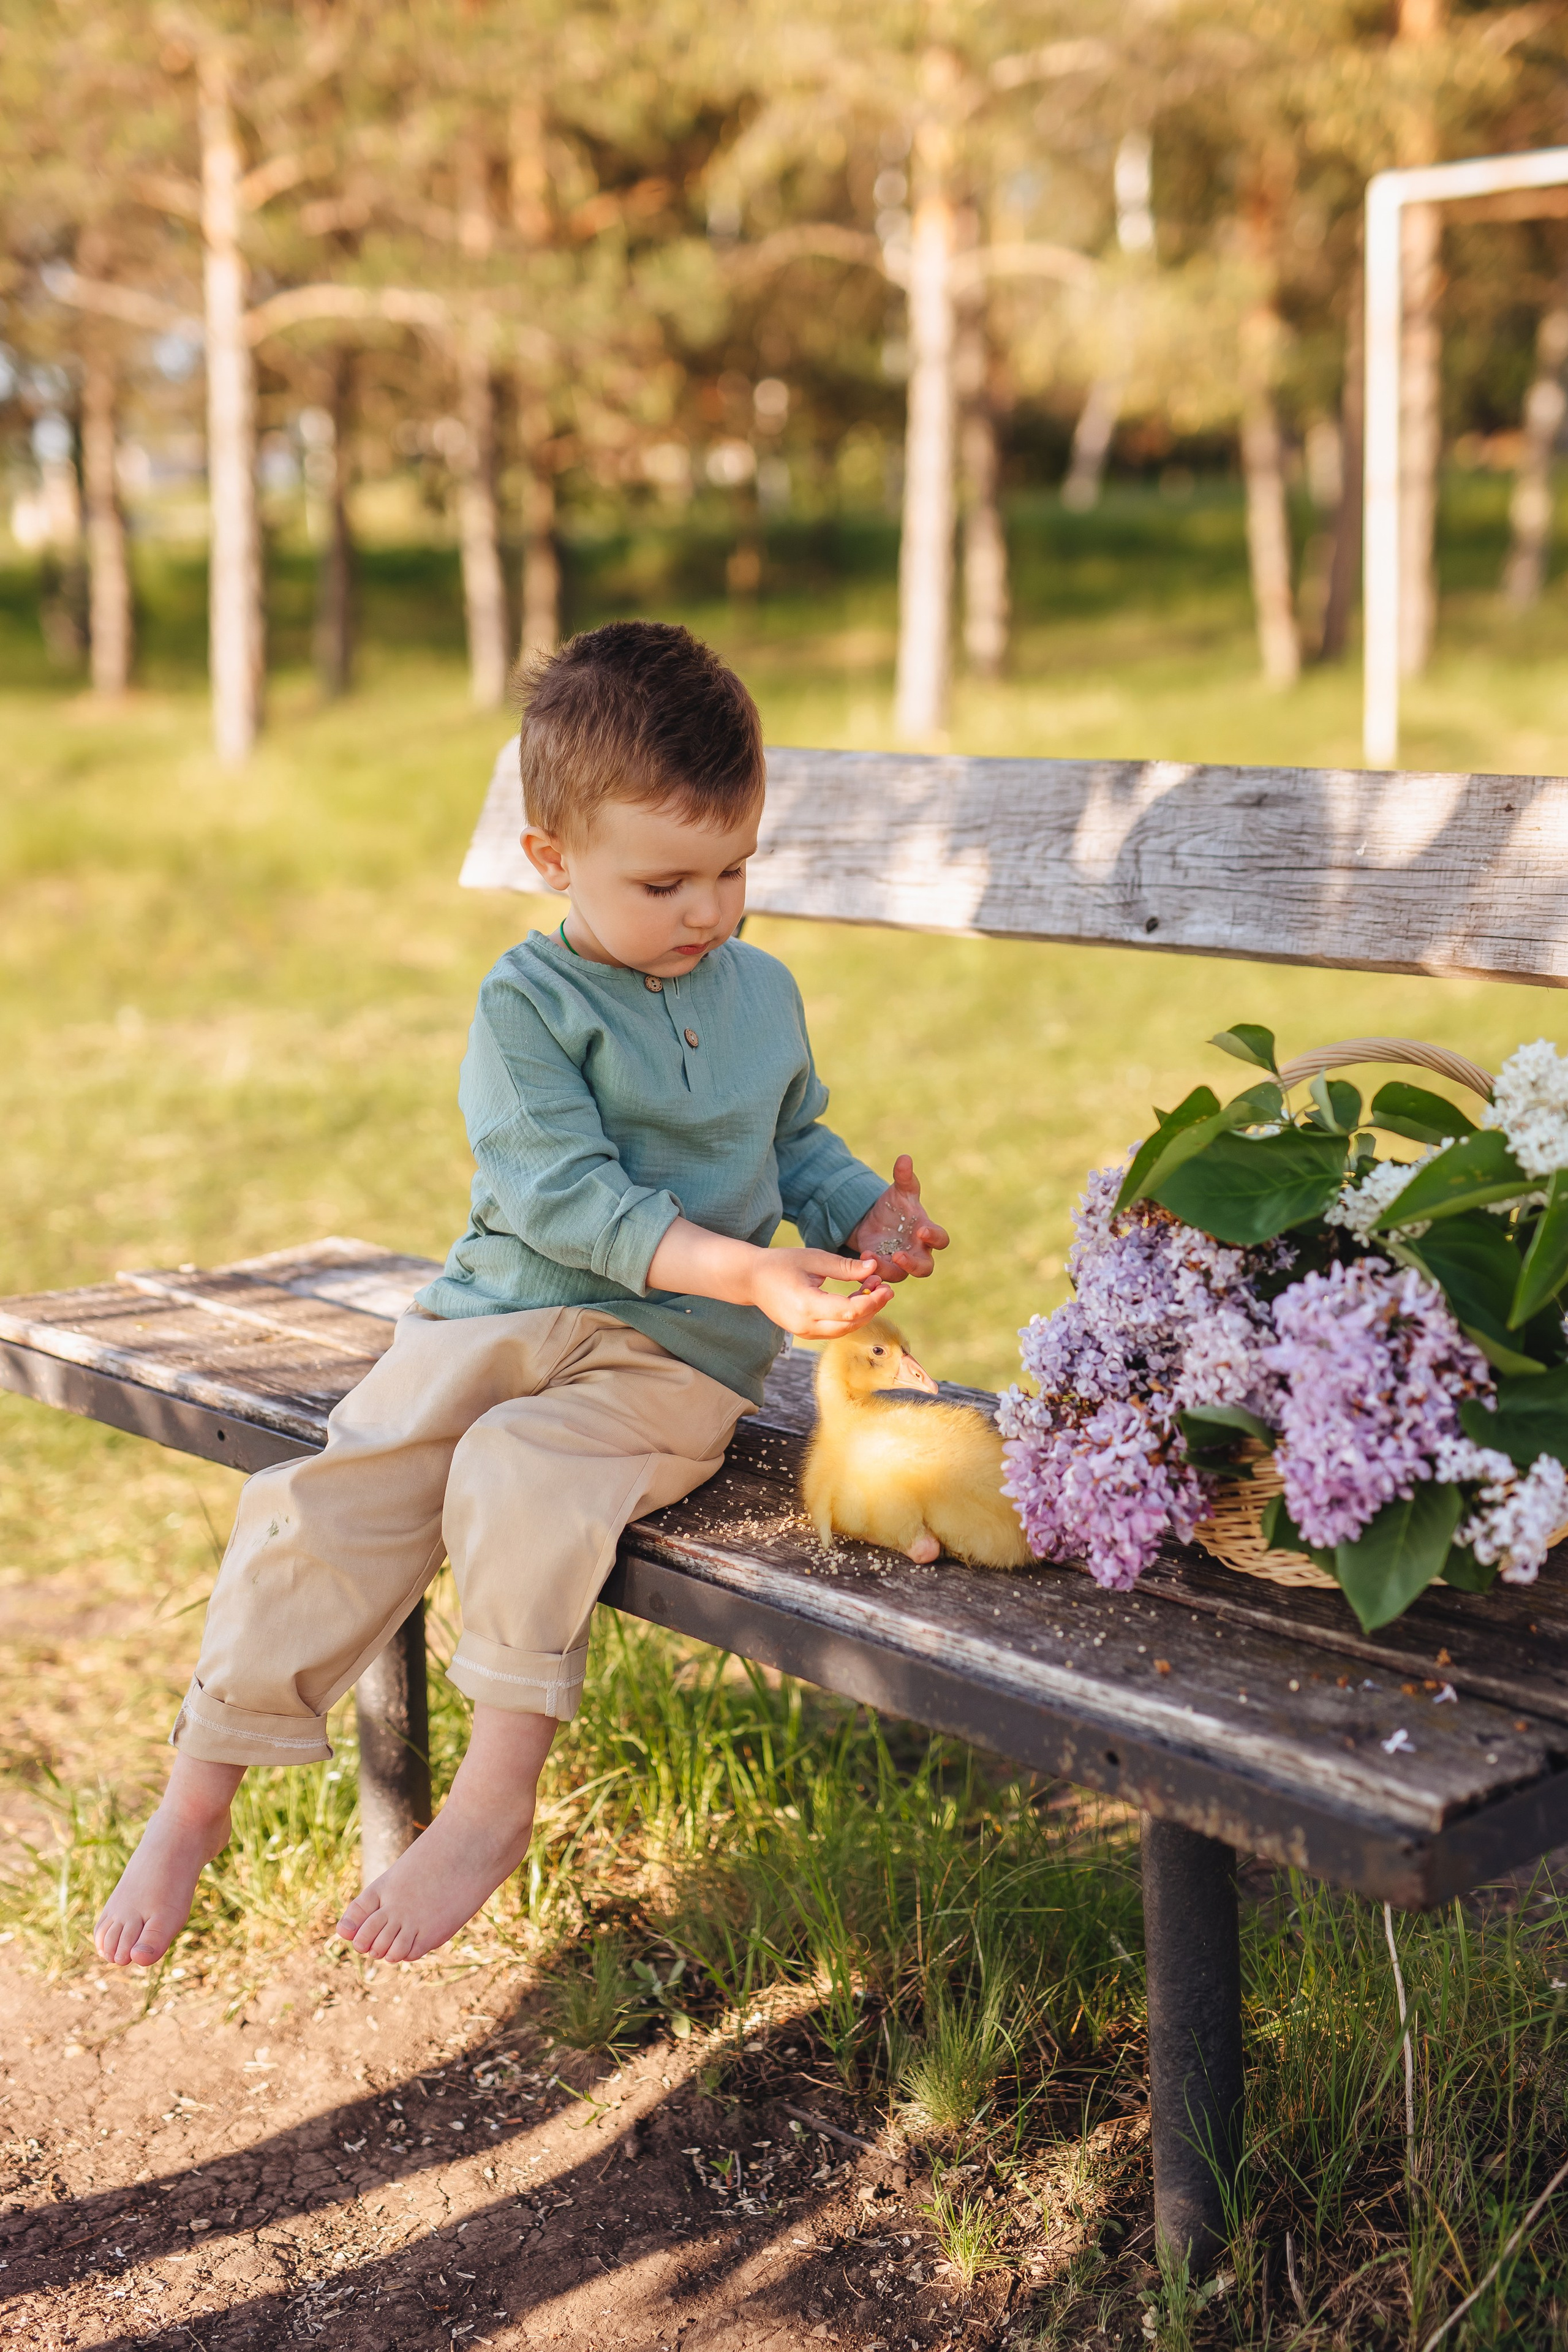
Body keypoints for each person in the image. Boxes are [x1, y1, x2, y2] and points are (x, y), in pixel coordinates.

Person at [93, 620, 948, 1970]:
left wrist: (860, 1212)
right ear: (551, 860)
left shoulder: (760, 992)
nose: (711, 910)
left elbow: (791, 1142)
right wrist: (748, 1263)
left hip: (669, 1359)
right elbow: (564, 1197)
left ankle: (491, 1803)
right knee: (330, 1499)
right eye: (666, 880)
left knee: (520, 1475)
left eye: (735, 868)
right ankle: (200, 1792)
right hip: (495, 1313)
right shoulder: (525, 1005)